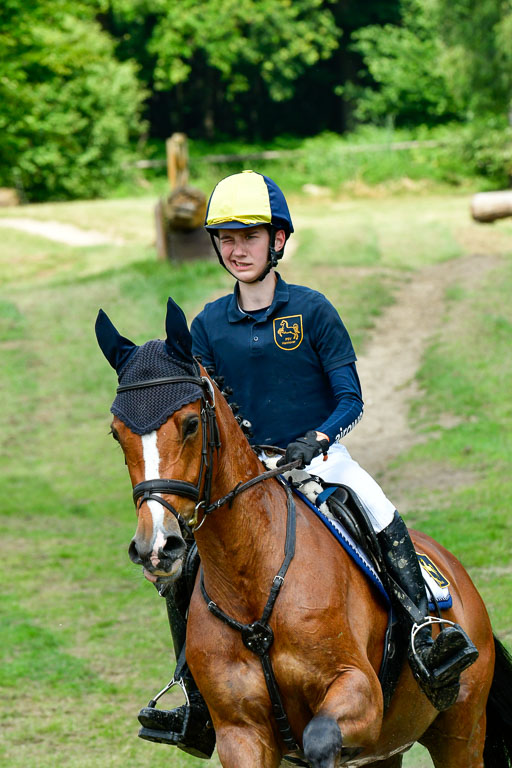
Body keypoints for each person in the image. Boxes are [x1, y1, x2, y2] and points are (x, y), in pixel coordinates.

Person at [138, 170, 478, 756]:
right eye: (226, 239)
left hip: (319, 459)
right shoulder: (208, 325)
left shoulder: (313, 310)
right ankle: (194, 697)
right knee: (188, 563)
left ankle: (427, 632)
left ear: (278, 240)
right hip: (244, 474)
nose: (237, 249)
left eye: (250, 236)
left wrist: (315, 440)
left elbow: (351, 398)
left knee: (375, 508)